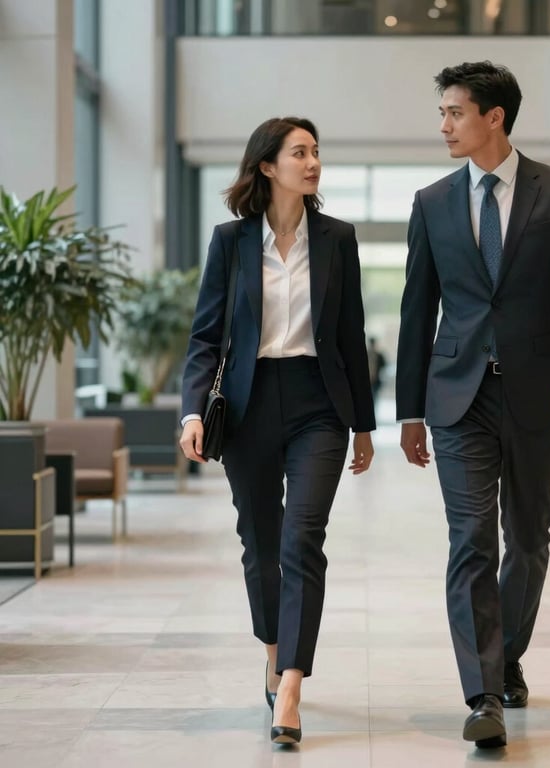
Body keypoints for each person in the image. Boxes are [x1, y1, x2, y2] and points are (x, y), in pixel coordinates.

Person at [396, 62, 550, 749]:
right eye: (443, 112)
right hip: (458, 397)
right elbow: (415, 311)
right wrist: (407, 410)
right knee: (470, 542)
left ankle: (508, 651)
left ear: (494, 116)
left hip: (540, 394)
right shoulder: (431, 202)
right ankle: (483, 691)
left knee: (528, 538)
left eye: (454, 112)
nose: (444, 125)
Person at [179, 116, 376, 746]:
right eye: (300, 152)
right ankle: (273, 648)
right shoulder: (230, 242)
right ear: (268, 166)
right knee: (261, 544)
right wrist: (190, 412)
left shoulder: (337, 239)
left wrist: (365, 425)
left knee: (303, 537)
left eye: (317, 151)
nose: (313, 161)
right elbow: (206, 336)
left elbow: (351, 337)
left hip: (320, 404)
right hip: (249, 405)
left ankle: (290, 680)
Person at [367, 336, 387, 405]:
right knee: (373, 398)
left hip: (373, 381)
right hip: (373, 381)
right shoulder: (378, 355)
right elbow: (383, 365)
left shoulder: (368, 354)